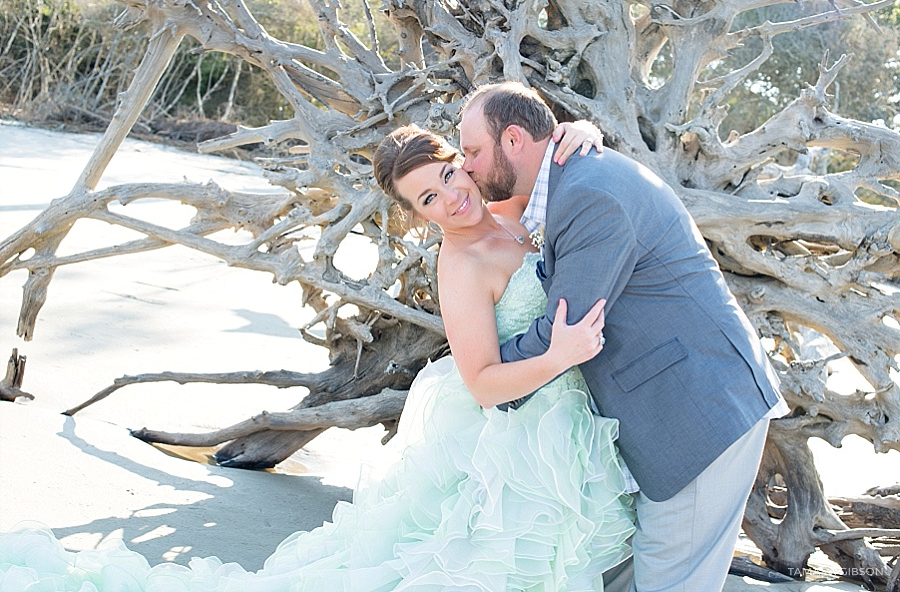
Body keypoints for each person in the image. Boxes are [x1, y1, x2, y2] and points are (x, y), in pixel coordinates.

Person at [0, 122, 636, 591]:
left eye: (448, 174)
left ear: (465, 162)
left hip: (569, 419)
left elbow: (547, 161)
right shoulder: (462, 265)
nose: (451, 197)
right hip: (516, 436)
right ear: (417, 218)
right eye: (428, 199)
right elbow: (483, 384)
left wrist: (579, 132)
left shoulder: (510, 211)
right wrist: (562, 355)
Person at [456, 81, 789, 592]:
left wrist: (484, 379)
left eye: (474, 150)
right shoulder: (573, 177)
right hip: (674, 406)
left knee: (670, 581)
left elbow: (565, 331)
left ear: (515, 139)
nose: (469, 166)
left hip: (695, 413)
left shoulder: (589, 192)